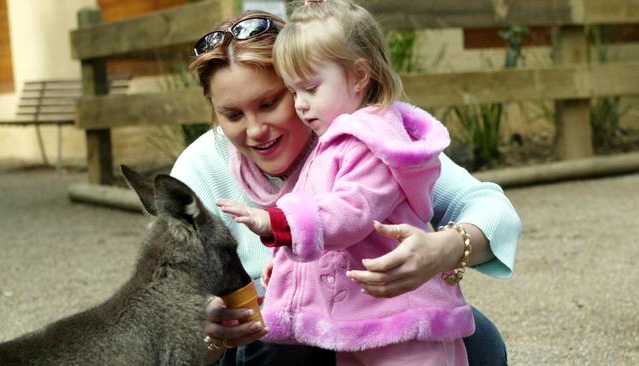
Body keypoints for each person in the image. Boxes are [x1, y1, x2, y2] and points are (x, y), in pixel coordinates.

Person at [172, 6, 521, 366]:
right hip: (271, 341)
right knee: (284, 346)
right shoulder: (199, 168)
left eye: (271, 102)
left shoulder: (364, 136)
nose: (256, 129)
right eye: (233, 115)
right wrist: (207, 322)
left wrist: (444, 248)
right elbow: (172, 299)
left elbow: (490, 207)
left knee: (480, 345)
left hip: (365, 316)